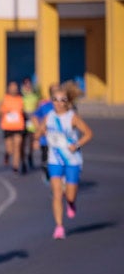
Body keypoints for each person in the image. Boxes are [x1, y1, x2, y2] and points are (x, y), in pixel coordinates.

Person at [36, 83, 93, 239]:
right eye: (55, 99)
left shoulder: (72, 117)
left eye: (62, 100)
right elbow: (39, 132)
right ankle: (59, 226)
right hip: (54, 159)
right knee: (56, 193)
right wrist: (39, 135)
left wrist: (77, 145)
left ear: (67, 102)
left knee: (70, 195)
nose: (58, 103)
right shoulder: (49, 117)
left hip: (72, 160)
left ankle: (71, 203)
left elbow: (88, 133)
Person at [32, 83, 61, 180]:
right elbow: (35, 117)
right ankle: (50, 178)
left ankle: (58, 180)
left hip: (61, 140)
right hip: (46, 139)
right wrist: (39, 131)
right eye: (54, 91)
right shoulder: (45, 106)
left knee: (59, 163)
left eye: (58, 90)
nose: (56, 93)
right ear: (51, 93)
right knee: (46, 163)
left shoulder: (65, 105)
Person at [0, 81, 26, 173]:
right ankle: (7, 154)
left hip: (19, 126)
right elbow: (0, 111)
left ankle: (15, 166)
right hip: (7, 126)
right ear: (8, 88)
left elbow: (24, 110)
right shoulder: (5, 99)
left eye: (15, 88)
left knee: (17, 145)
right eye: (12, 87)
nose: (14, 89)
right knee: (10, 149)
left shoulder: (21, 99)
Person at [21, 78, 40, 172]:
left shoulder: (35, 96)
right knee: (22, 143)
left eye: (29, 84)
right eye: (26, 84)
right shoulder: (20, 96)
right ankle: (23, 161)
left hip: (32, 121)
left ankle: (30, 157)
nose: (28, 86)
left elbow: (38, 108)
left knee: (31, 142)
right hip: (22, 121)